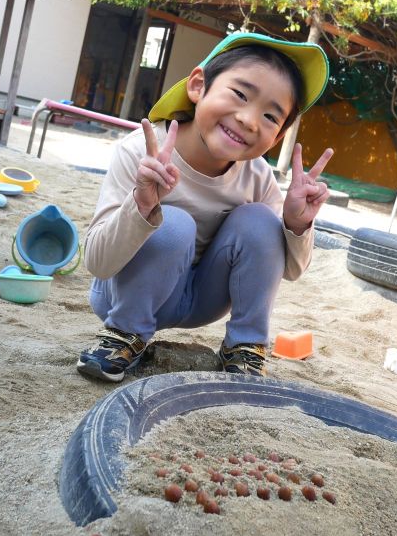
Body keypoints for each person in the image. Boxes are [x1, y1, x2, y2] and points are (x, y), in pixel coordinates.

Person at [77, 33, 334, 382]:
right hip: (121, 296)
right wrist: (141, 204)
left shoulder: (257, 176)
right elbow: (98, 263)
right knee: (174, 224)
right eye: (240, 94)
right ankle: (123, 336)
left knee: (260, 220)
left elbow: (291, 270)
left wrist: (296, 224)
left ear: (277, 138)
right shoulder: (141, 153)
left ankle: (244, 346)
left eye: (271, 117)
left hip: (199, 302)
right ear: (198, 85)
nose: (249, 119)